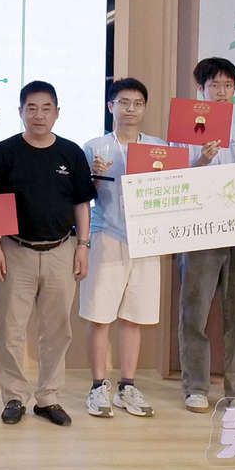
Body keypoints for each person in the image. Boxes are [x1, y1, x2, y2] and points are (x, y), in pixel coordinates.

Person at [0, 80, 93, 427]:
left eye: (46, 108)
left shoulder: (71, 153)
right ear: (20, 112)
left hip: (62, 250)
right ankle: (14, 396)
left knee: (57, 330)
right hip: (15, 250)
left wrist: (83, 246)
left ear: (57, 113)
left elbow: (81, 204)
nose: (38, 115)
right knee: (12, 330)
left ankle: (48, 397)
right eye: (31, 108)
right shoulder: (4, 152)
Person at [176, 56, 235, 413]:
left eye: (227, 85)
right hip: (198, 230)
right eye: (214, 85)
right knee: (194, 312)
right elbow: (172, 178)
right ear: (200, 89)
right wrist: (201, 160)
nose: (221, 91)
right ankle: (196, 387)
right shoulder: (184, 129)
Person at [78, 77, 163, 420]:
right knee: (100, 316)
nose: (131, 109)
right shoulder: (95, 147)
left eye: (138, 103)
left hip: (147, 239)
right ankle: (98, 386)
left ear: (144, 108)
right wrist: (93, 176)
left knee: (134, 317)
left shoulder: (158, 147)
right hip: (106, 236)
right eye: (124, 102)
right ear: (110, 106)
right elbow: (81, 196)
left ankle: (127, 385)